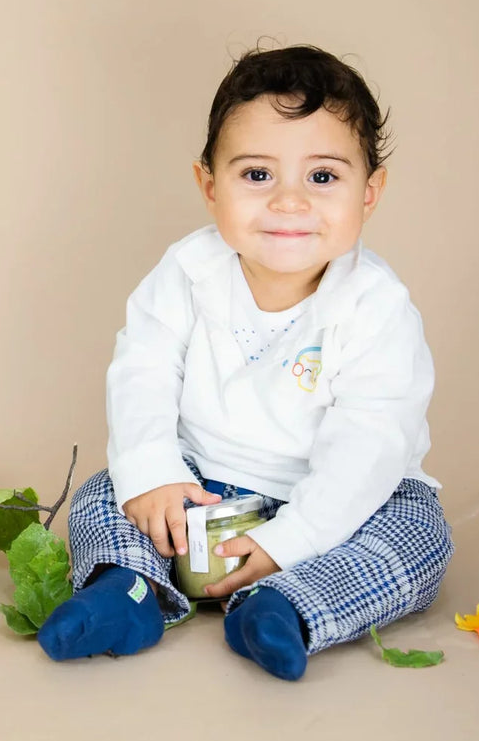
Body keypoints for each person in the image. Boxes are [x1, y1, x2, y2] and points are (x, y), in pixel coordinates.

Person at [38, 45, 453, 680]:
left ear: (369, 194)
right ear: (210, 185)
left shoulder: (376, 306)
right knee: (108, 490)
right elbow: (142, 372)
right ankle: (129, 593)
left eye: (322, 177)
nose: (289, 202)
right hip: (204, 486)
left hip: (340, 505)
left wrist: (287, 544)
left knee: (421, 535)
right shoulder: (187, 272)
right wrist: (153, 471)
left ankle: (285, 606)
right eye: (257, 176)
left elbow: (369, 444)